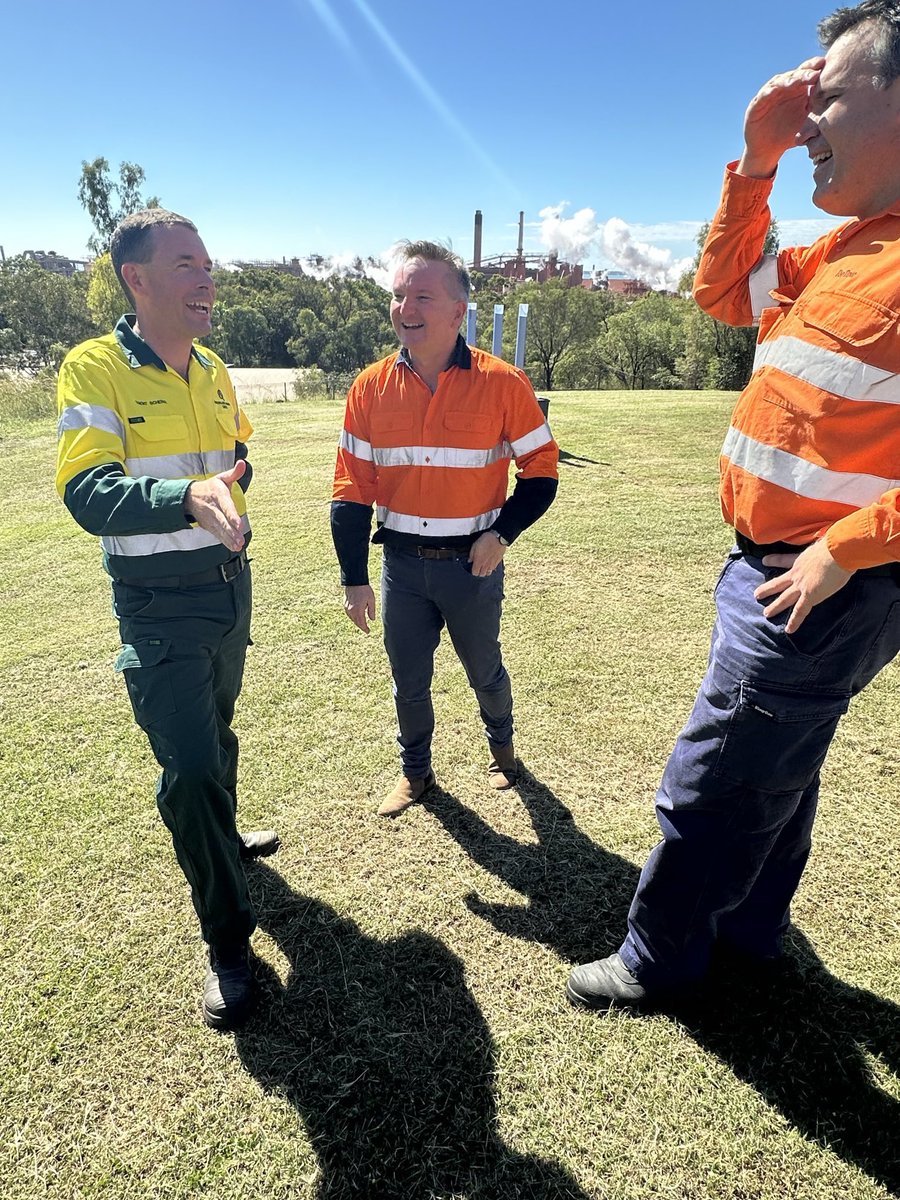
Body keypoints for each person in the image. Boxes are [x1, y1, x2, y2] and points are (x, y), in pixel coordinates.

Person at [568, 0, 900, 1008]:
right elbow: (721, 293)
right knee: (774, 767)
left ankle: (659, 960)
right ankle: (752, 929)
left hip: (820, 582)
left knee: (713, 780)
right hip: (767, 564)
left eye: (827, 95)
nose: (808, 122)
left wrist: (845, 547)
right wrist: (752, 166)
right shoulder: (843, 251)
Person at [55, 208, 279, 1031]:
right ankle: (228, 941)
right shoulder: (95, 368)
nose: (207, 277)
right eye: (186, 263)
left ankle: (224, 840)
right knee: (187, 768)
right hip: (156, 605)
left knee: (216, 735)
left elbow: (236, 455)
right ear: (136, 279)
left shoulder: (215, 369)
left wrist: (229, 488)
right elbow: (87, 491)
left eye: (209, 262)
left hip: (229, 588)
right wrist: (182, 497)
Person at [331, 241, 558, 817]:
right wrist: (354, 577)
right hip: (401, 569)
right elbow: (351, 491)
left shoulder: (504, 383)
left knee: (485, 669)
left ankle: (503, 750)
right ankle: (416, 774)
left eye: (422, 295)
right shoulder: (369, 387)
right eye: (399, 294)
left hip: (472, 567)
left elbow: (542, 472)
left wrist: (500, 535)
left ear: (459, 311)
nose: (406, 306)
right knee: (408, 681)